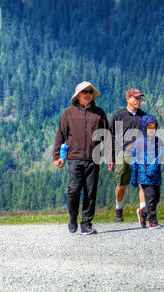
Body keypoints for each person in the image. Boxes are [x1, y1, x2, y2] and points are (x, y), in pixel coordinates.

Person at [53, 81, 113, 235]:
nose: (87, 94)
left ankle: (86, 224)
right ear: (78, 95)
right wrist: (57, 157)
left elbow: (106, 136)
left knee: (90, 192)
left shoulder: (99, 113)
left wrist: (110, 156)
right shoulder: (68, 113)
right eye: (84, 92)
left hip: (94, 158)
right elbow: (60, 135)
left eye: (90, 92)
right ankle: (73, 217)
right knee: (73, 190)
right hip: (74, 158)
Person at [110, 88, 148, 222]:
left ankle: (143, 211)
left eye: (139, 99)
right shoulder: (119, 115)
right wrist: (113, 156)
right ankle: (118, 207)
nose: (138, 101)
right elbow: (112, 136)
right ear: (128, 99)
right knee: (122, 184)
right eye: (135, 98)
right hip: (123, 154)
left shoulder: (144, 116)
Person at [131, 115, 164, 229]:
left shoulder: (158, 142)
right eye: (149, 127)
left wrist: (152, 167)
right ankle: (152, 221)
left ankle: (142, 213)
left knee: (156, 199)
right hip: (144, 176)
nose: (151, 129)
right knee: (150, 198)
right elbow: (134, 160)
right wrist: (134, 177)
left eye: (153, 127)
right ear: (143, 128)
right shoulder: (139, 142)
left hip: (155, 175)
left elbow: (160, 156)